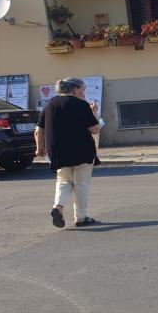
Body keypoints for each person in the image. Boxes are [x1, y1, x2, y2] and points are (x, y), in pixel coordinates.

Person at [35, 77, 101, 228]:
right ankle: (81, 218)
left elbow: (39, 130)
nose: (84, 93)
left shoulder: (49, 105)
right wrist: (93, 113)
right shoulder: (81, 105)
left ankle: (58, 207)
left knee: (64, 182)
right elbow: (94, 129)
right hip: (82, 150)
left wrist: (39, 148)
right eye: (83, 89)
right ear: (75, 89)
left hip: (57, 152)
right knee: (81, 184)